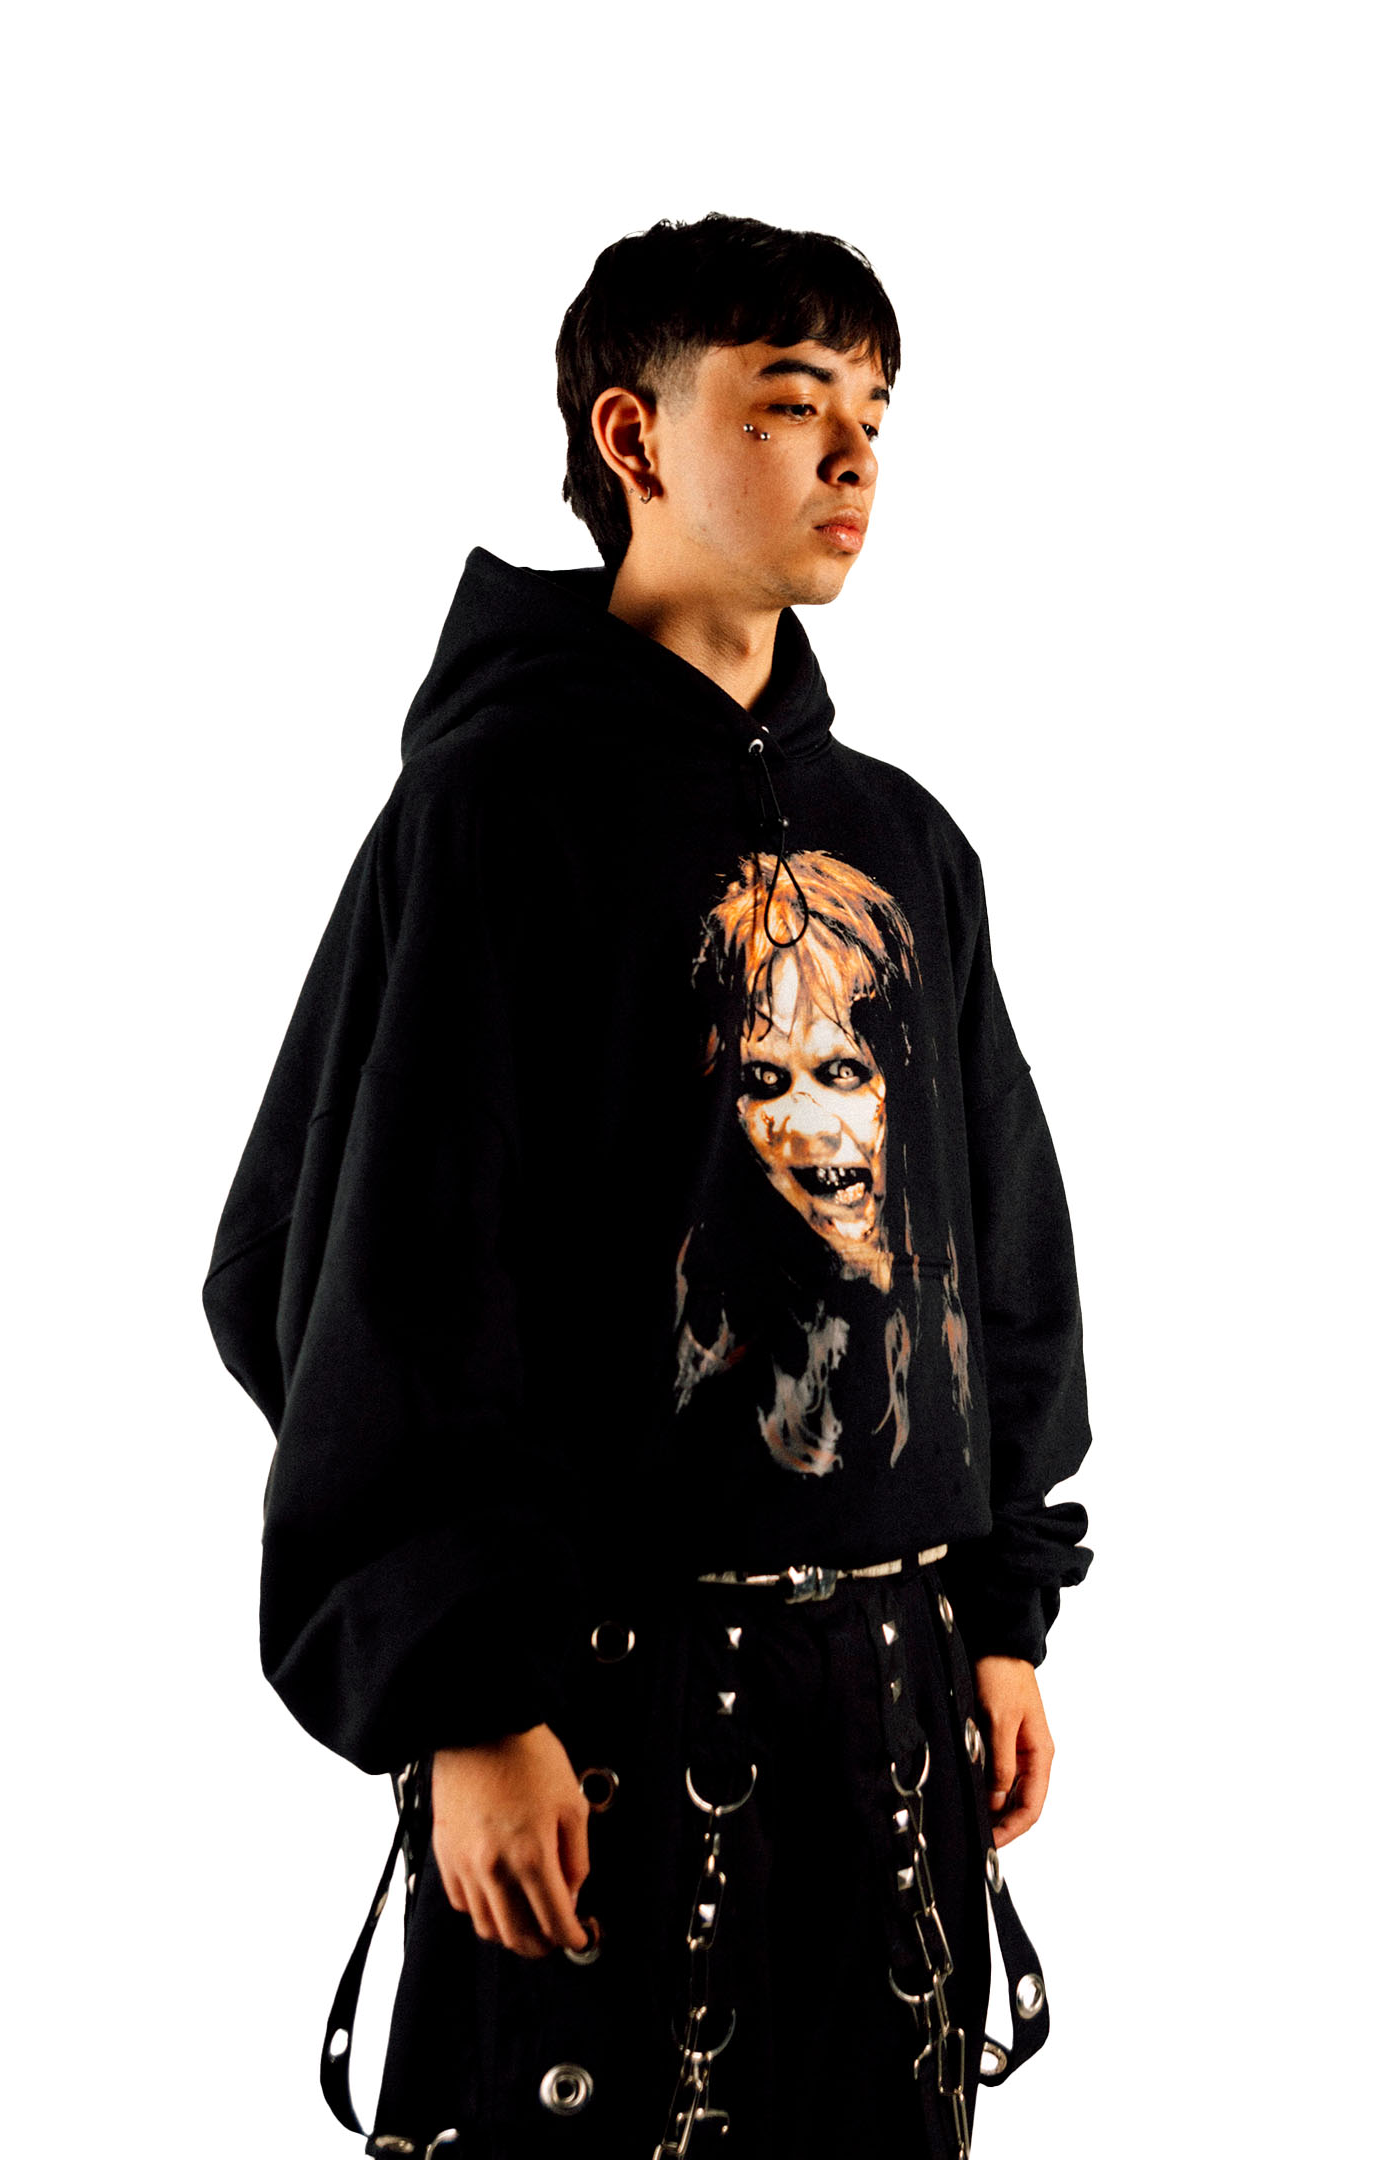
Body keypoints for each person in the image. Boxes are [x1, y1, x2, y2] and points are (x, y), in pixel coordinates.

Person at [202, 211, 1094, 2160]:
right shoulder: (493, 814)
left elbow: (996, 1252)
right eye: (792, 405)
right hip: (598, 1709)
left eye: (876, 413)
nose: (853, 455)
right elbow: (357, 1270)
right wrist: (466, 1696)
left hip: (896, 1717)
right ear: (634, 436)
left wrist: (1002, 1613)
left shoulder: (906, 846)